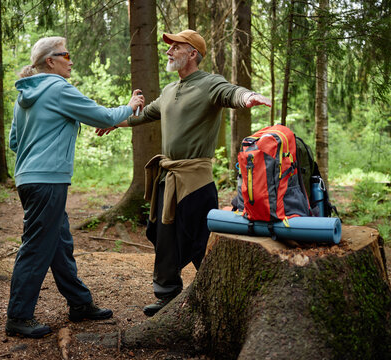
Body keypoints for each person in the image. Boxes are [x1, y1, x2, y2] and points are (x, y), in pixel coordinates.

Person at [99, 30, 272, 316]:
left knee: (199, 237)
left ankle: (219, 292)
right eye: (169, 48)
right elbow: (144, 114)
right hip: (168, 177)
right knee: (165, 235)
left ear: (192, 53)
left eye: (176, 47)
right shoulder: (169, 91)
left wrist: (248, 96)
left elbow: (231, 93)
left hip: (196, 179)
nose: (168, 52)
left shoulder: (209, 83)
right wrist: (114, 121)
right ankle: (166, 294)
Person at [6, 36, 144, 338]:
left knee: (59, 243)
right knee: (37, 247)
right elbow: (104, 116)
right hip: (47, 181)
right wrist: (131, 105)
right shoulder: (57, 88)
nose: (71, 60)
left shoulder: (24, 96)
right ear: (50, 61)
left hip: (28, 179)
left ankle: (80, 304)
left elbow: (14, 142)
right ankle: (18, 316)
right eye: (65, 54)